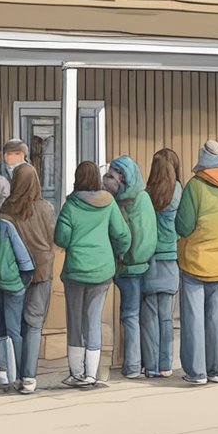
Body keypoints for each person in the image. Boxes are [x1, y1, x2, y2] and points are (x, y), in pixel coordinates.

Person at [55, 161, 131, 387]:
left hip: (76, 271)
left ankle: (76, 373)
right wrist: (117, 255)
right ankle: (91, 373)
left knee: (76, 321)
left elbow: (61, 238)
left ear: (77, 179)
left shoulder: (71, 206)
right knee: (93, 320)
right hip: (101, 271)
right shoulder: (108, 204)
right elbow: (123, 235)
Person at [175, 140, 218, 383]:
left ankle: (196, 371)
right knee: (216, 317)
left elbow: (183, 226)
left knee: (193, 317)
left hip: (196, 260)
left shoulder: (194, 187)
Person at [0, 164, 56, 394]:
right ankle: (29, 377)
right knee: (33, 323)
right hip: (41, 269)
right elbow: (53, 237)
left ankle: (10, 373)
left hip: (13, 271)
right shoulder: (45, 208)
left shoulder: (6, 207)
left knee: (14, 325)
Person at [104, 155, 159, 380]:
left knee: (129, 316)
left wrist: (121, 257)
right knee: (144, 317)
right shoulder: (144, 198)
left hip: (125, 267)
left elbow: (121, 237)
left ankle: (133, 365)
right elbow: (149, 233)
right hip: (145, 265)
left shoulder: (115, 203)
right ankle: (147, 364)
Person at [0, 175, 33, 390]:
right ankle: (20, 374)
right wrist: (24, 280)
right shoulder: (10, 223)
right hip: (12, 284)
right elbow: (23, 258)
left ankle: (1, 374)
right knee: (15, 331)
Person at [141, 148, 184, 378]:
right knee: (166, 317)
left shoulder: (146, 193)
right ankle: (166, 364)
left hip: (149, 258)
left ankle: (151, 365)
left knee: (149, 316)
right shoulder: (178, 191)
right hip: (170, 257)